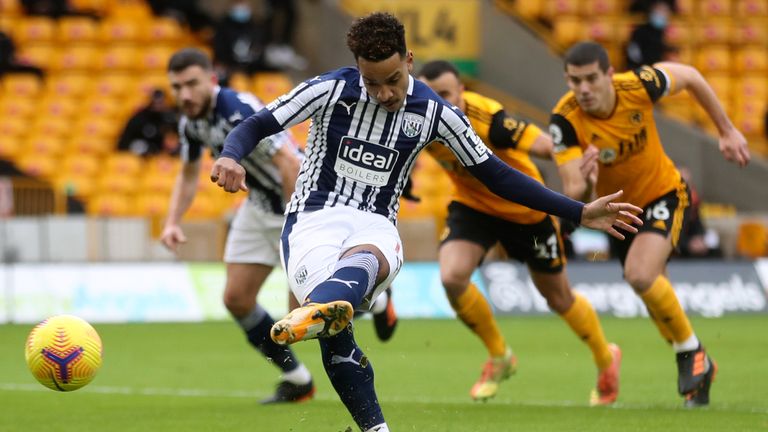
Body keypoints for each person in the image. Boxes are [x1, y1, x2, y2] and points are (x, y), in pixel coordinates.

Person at [210, 13, 642, 431]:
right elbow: (258, 123)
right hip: (312, 219)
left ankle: (324, 307)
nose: (382, 93)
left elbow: (496, 173)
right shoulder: (329, 89)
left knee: (364, 267)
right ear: (357, 69)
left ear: (409, 61)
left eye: (392, 80)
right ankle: (365, 399)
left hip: (375, 223)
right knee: (336, 336)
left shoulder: (437, 113)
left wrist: (578, 211)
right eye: (371, 83)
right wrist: (230, 154)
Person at [549, 41, 750, 407]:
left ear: (609, 75)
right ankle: (701, 372)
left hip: (665, 194)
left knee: (639, 274)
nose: (583, 89)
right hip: (618, 212)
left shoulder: (638, 85)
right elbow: (574, 189)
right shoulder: (564, 120)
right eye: (575, 81)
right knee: (657, 302)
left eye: (592, 79)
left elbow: (690, 76)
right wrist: (589, 179)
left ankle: (693, 353)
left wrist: (726, 130)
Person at [417, 60, 620, 405]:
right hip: (474, 208)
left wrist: (574, 164)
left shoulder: (489, 119)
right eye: (432, 96)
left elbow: (544, 145)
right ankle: (500, 356)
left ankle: (605, 357)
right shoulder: (419, 119)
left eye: (447, 94)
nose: (440, 103)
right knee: (452, 278)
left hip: (527, 214)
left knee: (558, 299)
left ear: (462, 91)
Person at [160, 48, 315, 404]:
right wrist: (171, 221)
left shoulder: (239, 107)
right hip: (259, 206)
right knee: (236, 299)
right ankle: (297, 379)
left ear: (212, 80)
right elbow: (187, 175)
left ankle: (377, 298)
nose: (184, 94)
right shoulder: (190, 123)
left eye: (192, 84)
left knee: (302, 316)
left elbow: (290, 162)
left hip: (298, 204)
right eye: (176, 86)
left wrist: (297, 225)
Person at [117, 88, 178, 157]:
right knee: (140, 146)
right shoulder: (140, 118)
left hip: (163, 151)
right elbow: (125, 140)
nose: (158, 106)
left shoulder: (171, 115)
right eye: (155, 102)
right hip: (143, 149)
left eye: (160, 102)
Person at [625, 0, 675, 70]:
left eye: (664, 12)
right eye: (659, 11)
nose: (661, 14)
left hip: (659, 69)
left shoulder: (663, 33)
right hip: (641, 69)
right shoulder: (639, 32)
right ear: (652, 12)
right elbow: (633, 54)